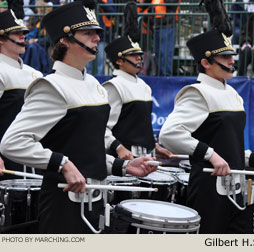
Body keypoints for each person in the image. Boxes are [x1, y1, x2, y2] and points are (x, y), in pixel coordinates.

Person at [0, 1, 157, 234]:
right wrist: (62, 163)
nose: (96, 38)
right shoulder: (51, 86)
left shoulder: (94, 84)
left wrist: (124, 166)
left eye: (96, 33)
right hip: (64, 203)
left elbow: (86, 150)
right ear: (64, 40)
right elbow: (11, 142)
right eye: (88, 33)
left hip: (96, 199)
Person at [159, 0, 254, 234]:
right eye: (225, 57)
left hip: (236, 189)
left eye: (231, 55)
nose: (232, 61)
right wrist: (210, 155)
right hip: (209, 189)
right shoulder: (197, 92)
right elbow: (169, 134)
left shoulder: (232, 93)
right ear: (206, 63)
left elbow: (230, 148)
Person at [103, 2, 172, 160]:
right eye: (134, 55)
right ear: (119, 61)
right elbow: (101, 127)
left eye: (140, 54)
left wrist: (152, 145)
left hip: (148, 157)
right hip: (124, 162)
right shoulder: (113, 86)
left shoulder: (143, 86)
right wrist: (118, 148)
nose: (139, 58)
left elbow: (139, 128)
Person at [0, 8, 43, 180]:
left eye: (24, 33)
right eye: (17, 33)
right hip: (6, 160)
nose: (23, 36)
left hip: (34, 157)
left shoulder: (35, 74)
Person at [152, 0, 180, 76]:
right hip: (158, 25)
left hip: (168, 24)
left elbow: (172, 4)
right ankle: (160, 73)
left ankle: (166, 75)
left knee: (165, 52)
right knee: (158, 52)